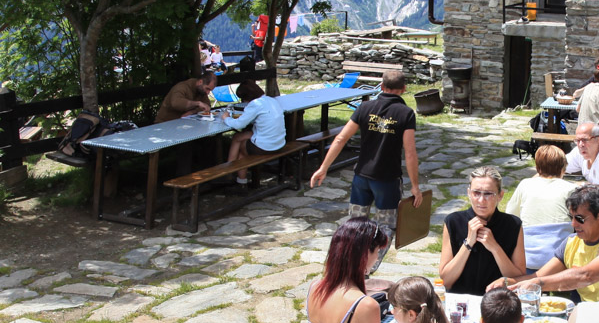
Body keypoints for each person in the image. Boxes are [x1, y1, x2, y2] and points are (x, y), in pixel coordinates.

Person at [310, 70, 423, 258]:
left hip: (361, 177)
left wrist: (323, 167)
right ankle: (369, 267)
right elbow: (410, 152)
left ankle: (350, 260)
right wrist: (415, 186)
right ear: (403, 89)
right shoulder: (406, 113)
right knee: (386, 227)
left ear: (381, 86)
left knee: (355, 224)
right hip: (387, 180)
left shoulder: (364, 108)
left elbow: (340, 139)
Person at [503, 184, 599, 303]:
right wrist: (507, 283)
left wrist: (538, 283)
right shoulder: (571, 243)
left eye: (579, 218)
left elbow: (587, 276)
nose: (573, 224)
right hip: (592, 316)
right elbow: (538, 276)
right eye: (571, 217)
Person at [440, 166, 526, 295]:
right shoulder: (453, 222)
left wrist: (495, 248)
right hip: (461, 301)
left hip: (497, 301)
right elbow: (446, 281)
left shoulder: (513, 225)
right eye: (476, 193)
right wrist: (468, 243)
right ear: (469, 193)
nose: (481, 200)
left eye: (488, 194)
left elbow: (518, 279)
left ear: (500, 195)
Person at [222, 81, 286, 184]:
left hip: (266, 147)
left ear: (247, 97)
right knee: (239, 137)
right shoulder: (272, 100)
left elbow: (239, 124)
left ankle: (230, 173)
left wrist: (226, 118)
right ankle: (234, 175)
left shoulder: (255, 104)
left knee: (242, 151)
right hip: (279, 143)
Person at [507, 145, 575, 225]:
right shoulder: (571, 188)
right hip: (562, 236)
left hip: (528, 236)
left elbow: (511, 214)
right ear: (563, 169)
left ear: (537, 168)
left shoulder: (525, 185)